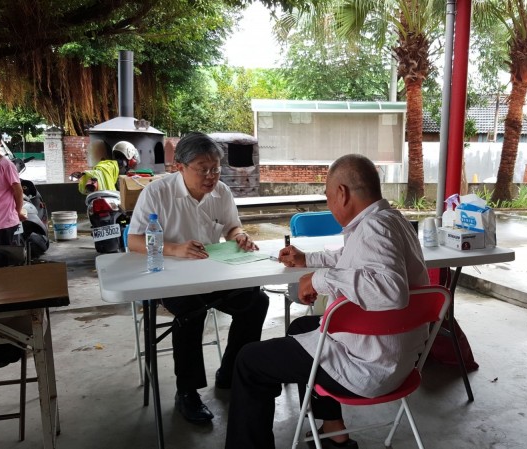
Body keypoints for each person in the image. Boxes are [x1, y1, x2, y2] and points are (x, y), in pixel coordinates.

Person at [225, 154, 430, 449]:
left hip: (369, 367)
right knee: (301, 327)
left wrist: (320, 280)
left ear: (342, 194)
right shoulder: (391, 221)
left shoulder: (374, 229)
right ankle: (334, 431)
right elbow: (351, 260)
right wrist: (308, 260)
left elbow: (390, 290)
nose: (328, 203)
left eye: (327, 195)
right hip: (400, 360)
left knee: (248, 361)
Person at [126, 132, 269, 424]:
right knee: (191, 313)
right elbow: (135, 241)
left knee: (256, 301)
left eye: (215, 168)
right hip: (171, 280)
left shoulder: (222, 192)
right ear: (179, 166)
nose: (211, 176)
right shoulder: (157, 193)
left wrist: (240, 237)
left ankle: (231, 372)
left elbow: (232, 227)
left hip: (215, 275)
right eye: (202, 169)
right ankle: (187, 391)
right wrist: (175, 249)